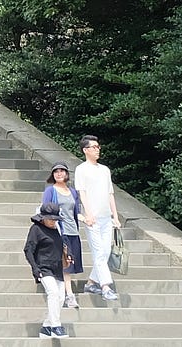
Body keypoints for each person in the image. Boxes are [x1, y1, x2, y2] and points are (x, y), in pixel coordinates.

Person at [75, 134, 122, 300]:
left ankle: (90, 282)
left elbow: (110, 193)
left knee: (106, 251)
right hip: (92, 218)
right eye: (94, 147)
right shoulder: (82, 169)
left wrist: (115, 216)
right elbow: (82, 193)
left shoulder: (104, 170)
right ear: (85, 150)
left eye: (98, 147)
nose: (97, 150)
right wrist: (88, 213)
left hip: (106, 217)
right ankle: (105, 286)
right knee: (98, 252)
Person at [24, 202, 69, 340]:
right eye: (50, 219)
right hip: (43, 267)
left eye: (55, 219)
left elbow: (60, 246)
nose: (53, 221)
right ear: (42, 217)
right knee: (53, 293)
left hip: (57, 268)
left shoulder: (56, 229)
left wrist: (69, 256)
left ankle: (46, 326)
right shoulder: (36, 229)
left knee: (61, 297)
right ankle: (56, 326)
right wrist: (35, 268)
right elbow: (28, 250)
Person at [42, 163, 84, 308]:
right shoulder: (50, 191)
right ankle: (69, 295)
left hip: (73, 231)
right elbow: (45, 211)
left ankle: (65, 294)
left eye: (62, 171)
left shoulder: (72, 192)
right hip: (59, 231)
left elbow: (76, 211)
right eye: (56, 172)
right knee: (66, 263)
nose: (59, 174)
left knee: (69, 264)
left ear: (66, 174)